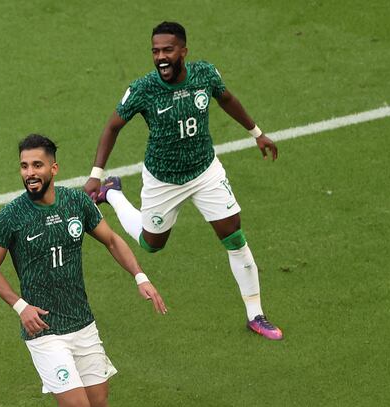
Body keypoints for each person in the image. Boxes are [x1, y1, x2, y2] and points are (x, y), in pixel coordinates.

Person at [0, 134, 166, 407]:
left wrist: (140, 277)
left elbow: (112, 240)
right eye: (23, 166)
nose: (29, 173)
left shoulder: (76, 203)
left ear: (53, 168)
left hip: (81, 322)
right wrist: (21, 306)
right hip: (44, 329)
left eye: (36, 165)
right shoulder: (12, 217)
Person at [83, 20, 283, 340]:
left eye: (168, 50)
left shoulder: (204, 74)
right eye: (155, 51)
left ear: (183, 51)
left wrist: (257, 134)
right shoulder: (143, 89)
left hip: (205, 171)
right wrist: (96, 176)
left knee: (233, 234)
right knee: (152, 244)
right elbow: (112, 127)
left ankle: (256, 314)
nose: (161, 56)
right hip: (163, 180)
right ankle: (113, 195)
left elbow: (227, 98)